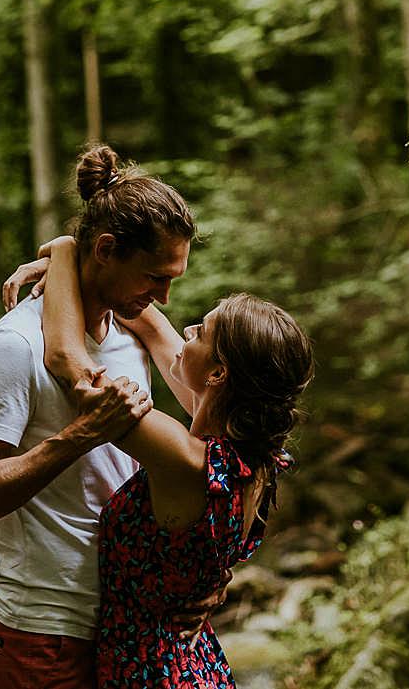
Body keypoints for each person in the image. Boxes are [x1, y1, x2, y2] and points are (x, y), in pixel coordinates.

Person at [0, 145, 198, 689]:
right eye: (155, 277)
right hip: (41, 632)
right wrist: (76, 438)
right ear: (105, 249)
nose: (165, 297)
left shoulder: (134, 331)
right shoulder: (14, 346)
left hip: (129, 627)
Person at [26, 231, 315, 689]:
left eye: (201, 331)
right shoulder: (255, 457)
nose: (186, 331)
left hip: (150, 675)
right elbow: (153, 326)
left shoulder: (184, 458)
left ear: (218, 374)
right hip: (194, 665)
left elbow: (69, 363)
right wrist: (95, 274)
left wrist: (63, 252)